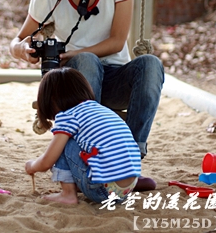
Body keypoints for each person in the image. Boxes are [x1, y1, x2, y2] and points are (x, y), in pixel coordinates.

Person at [10, 0, 164, 160]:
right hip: (71, 85)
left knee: (151, 64)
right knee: (86, 62)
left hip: (113, 77)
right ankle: (88, 153)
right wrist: (21, 49)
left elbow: (116, 42)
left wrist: (71, 53)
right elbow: (18, 39)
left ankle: (131, 154)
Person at [25, 67, 141, 204]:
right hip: (127, 190)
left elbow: (47, 161)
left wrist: (32, 166)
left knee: (64, 142)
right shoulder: (101, 110)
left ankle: (68, 194)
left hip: (103, 191)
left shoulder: (68, 116)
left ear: (51, 99)